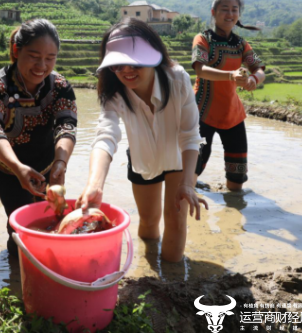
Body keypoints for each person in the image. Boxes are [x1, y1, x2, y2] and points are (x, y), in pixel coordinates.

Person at [76, 18, 207, 263]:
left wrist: (188, 183)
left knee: (176, 220)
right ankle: (147, 273)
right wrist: (95, 183)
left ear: (152, 55)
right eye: (117, 64)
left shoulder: (177, 79)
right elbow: (106, 135)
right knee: (148, 221)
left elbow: (190, 135)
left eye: (133, 62)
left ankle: (172, 279)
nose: (126, 70)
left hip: (181, 157)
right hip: (142, 158)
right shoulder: (113, 92)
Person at [0, 18, 77, 255]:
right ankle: (19, 279)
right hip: (6, 167)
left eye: (50, 58)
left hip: (49, 164)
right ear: (16, 50)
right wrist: (18, 167)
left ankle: (49, 267)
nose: (42, 65)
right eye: (34, 55)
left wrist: (60, 164)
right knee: (20, 223)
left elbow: (67, 125)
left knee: (50, 220)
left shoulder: (60, 85)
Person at [192, 0, 266, 191]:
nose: (230, 14)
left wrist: (253, 79)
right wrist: (230, 75)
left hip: (232, 115)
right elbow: (200, 68)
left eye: (235, 10)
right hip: (202, 114)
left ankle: (233, 214)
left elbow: (259, 68)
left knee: (237, 178)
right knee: (191, 171)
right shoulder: (203, 39)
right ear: (214, 13)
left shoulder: (241, 44)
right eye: (225, 9)